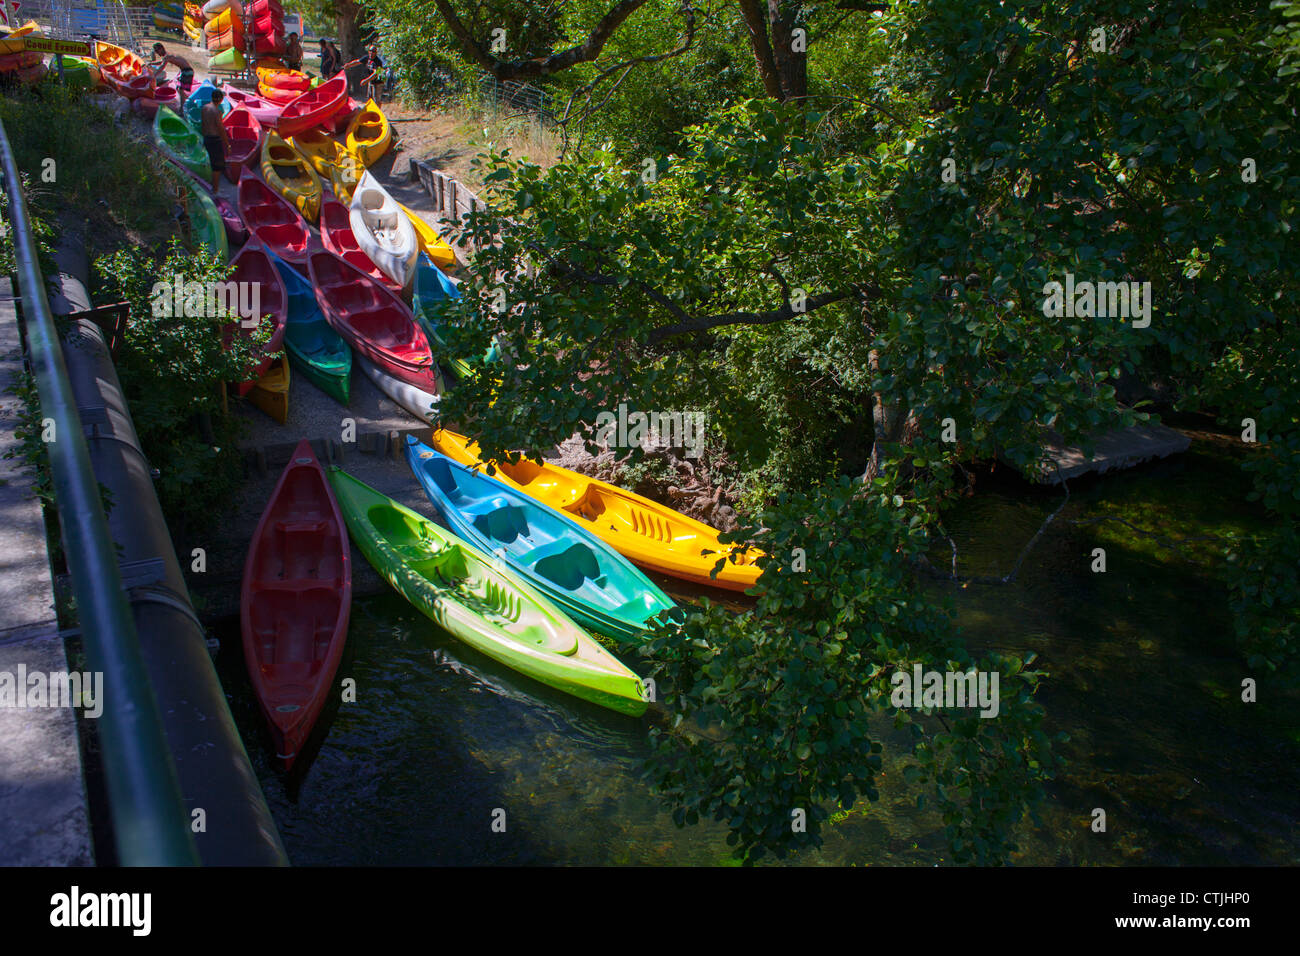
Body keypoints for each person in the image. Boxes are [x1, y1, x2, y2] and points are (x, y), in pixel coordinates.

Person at [199, 88, 228, 192]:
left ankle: (214, 187)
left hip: (207, 138)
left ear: (211, 98)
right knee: (217, 167)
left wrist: (203, 137)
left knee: (211, 163)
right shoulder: (217, 112)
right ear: (221, 100)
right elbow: (221, 129)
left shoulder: (204, 108)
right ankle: (215, 191)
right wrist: (227, 144)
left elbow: (203, 125)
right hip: (215, 140)